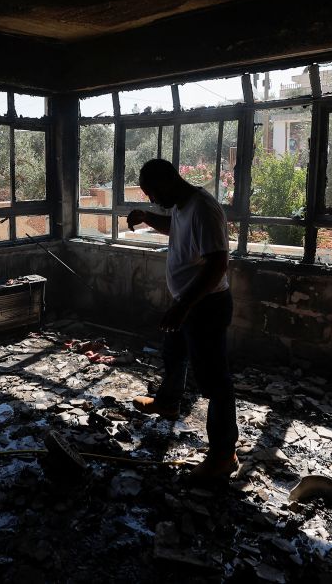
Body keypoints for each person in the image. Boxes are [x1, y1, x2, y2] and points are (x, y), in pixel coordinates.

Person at [127, 158, 239, 480]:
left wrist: (184, 306)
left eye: (151, 194)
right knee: (174, 354)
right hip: (188, 304)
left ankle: (223, 454)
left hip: (206, 306)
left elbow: (217, 264)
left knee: (215, 382)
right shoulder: (181, 205)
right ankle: (168, 403)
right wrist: (147, 217)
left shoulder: (204, 208)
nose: (152, 200)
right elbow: (175, 228)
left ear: (168, 181)